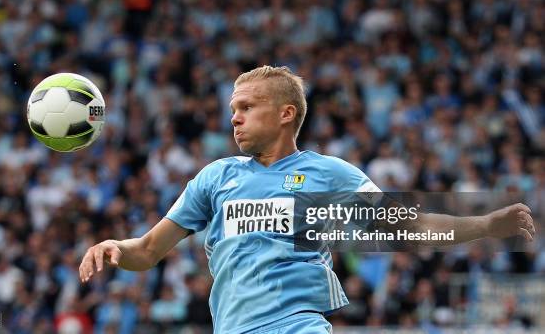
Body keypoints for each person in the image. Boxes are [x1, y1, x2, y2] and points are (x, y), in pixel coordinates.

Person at [79, 66, 536, 333]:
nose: (233, 118)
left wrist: (485, 225)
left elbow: (409, 226)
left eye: (245, 108)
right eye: (232, 110)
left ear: (285, 114)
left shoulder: (328, 176)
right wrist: (117, 249)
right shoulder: (216, 178)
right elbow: (149, 251)